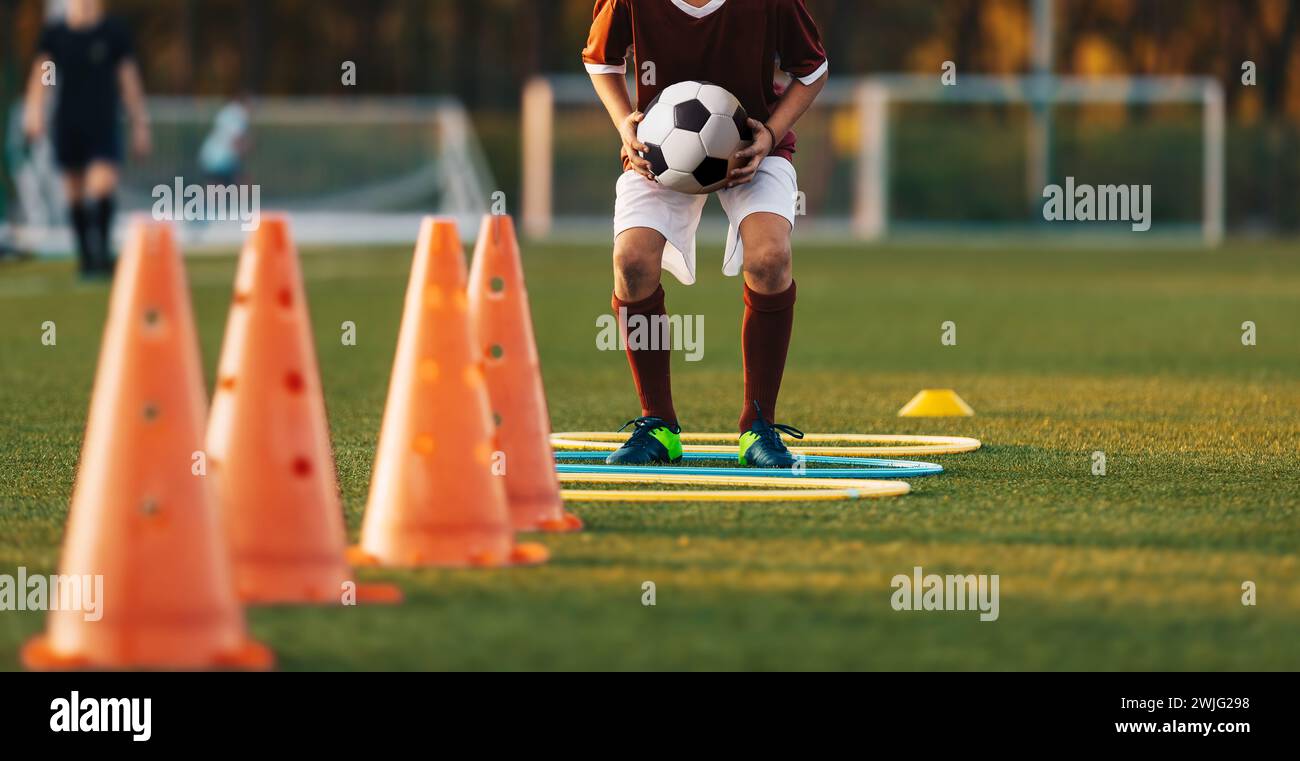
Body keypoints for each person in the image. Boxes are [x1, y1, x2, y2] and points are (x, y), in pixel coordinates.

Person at [583, 0, 828, 467]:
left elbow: (813, 70)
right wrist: (624, 124)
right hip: (657, 153)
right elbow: (601, 59)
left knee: (770, 257)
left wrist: (770, 135)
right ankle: (658, 425)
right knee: (631, 262)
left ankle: (758, 427)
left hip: (752, 147)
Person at [22, 0, 151, 277]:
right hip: (68, 122)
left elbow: (128, 78)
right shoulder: (56, 34)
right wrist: (36, 110)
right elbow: (43, 74)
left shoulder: (112, 33)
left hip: (103, 122)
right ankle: (87, 258)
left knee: (102, 185)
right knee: (75, 193)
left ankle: (102, 253)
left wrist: (140, 122)